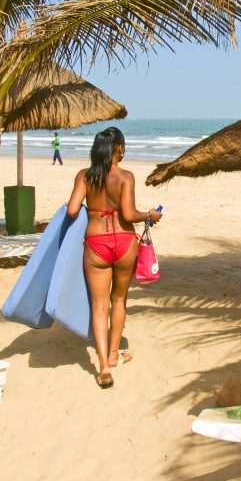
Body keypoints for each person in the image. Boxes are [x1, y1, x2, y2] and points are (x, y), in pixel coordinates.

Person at [67, 127, 162, 388]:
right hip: (123, 243)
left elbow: (72, 210)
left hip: (96, 243)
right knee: (118, 300)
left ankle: (104, 367)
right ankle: (113, 353)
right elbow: (129, 215)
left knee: (100, 306)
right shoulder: (126, 177)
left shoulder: (84, 176)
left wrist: (91, 209)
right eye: (124, 145)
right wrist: (150, 215)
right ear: (119, 148)